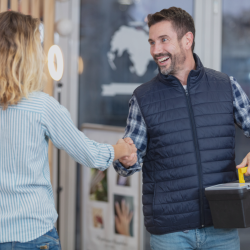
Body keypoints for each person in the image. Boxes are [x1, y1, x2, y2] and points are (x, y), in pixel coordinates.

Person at [114, 7, 250, 250]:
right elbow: (128, 162)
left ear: (187, 40)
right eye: (152, 42)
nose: (156, 50)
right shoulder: (143, 98)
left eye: (163, 40)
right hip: (170, 234)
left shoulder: (225, 86)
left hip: (222, 226)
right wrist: (125, 160)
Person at [0, 11, 136, 250]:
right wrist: (121, 148)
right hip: (33, 235)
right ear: (28, 55)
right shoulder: (41, 106)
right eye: (38, 47)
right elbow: (91, 155)